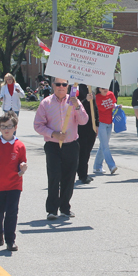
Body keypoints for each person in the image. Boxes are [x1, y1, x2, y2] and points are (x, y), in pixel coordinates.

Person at [34, 78, 89, 220]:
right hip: (53, 145)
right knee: (54, 176)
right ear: (53, 86)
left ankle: (65, 207)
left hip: (71, 144)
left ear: (68, 86)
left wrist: (77, 106)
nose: (61, 87)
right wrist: (53, 133)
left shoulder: (74, 101)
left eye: (64, 84)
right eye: (58, 84)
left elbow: (84, 121)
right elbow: (38, 125)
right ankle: (52, 210)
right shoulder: (46, 103)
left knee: (69, 177)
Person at [0, 111, 27, 251]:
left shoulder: (20, 145)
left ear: (15, 127)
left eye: (9, 126)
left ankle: (10, 240)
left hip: (15, 184)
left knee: (12, 211)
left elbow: (22, 164)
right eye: (3, 126)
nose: (6, 129)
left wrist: (23, 168)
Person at [93, 87, 120, 175]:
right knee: (105, 146)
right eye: (102, 88)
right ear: (99, 89)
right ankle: (111, 165)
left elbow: (113, 104)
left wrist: (117, 106)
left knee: (103, 145)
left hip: (109, 122)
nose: (105, 89)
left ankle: (97, 167)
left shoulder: (111, 94)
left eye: (106, 88)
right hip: (101, 123)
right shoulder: (96, 97)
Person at [76, 84, 98, 184]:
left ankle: (83, 172)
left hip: (91, 126)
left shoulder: (90, 89)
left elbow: (94, 108)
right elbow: (73, 107)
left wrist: (97, 124)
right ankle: (82, 174)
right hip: (78, 126)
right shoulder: (74, 88)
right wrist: (85, 101)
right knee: (81, 152)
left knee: (87, 152)